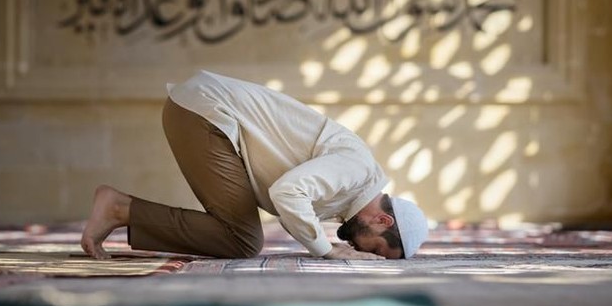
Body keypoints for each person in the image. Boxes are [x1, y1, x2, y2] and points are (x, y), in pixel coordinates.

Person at [81, 70, 428, 260]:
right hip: (206, 113)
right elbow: (288, 192)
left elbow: (291, 201)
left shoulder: (348, 193)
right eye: (378, 249)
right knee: (243, 241)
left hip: (203, 113)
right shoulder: (357, 170)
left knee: (242, 239)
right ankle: (119, 209)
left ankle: (122, 209)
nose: (365, 252)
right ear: (382, 220)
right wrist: (326, 250)